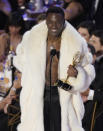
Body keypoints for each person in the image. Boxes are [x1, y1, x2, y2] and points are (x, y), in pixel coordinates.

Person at [14, 6, 95, 131]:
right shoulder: (31, 38)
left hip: (62, 92)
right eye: (50, 22)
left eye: (58, 22)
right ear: (46, 21)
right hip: (38, 93)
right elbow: (20, 60)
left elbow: (88, 71)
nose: (54, 26)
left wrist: (78, 74)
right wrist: (28, 74)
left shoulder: (76, 42)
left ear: (64, 22)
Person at [81, 30, 103, 131]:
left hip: (91, 122)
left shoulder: (99, 74)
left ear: (94, 58)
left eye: (93, 41)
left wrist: (88, 93)